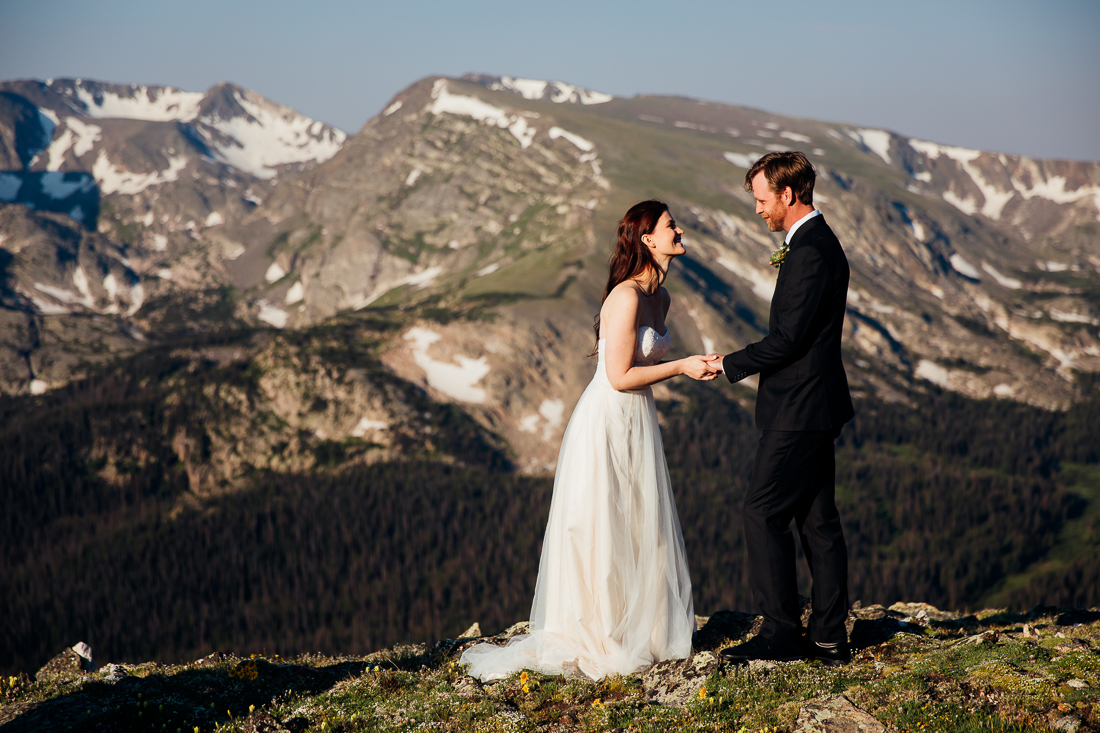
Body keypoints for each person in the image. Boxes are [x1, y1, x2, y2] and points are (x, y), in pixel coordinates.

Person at [461, 200, 720, 681]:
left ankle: (640, 628)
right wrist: (683, 365)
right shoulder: (624, 297)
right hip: (606, 417)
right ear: (647, 239)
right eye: (670, 226)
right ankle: (600, 634)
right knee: (602, 521)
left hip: (636, 418)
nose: (679, 230)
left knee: (639, 519)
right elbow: (619, 376)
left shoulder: (660, 299)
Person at [715, 151, 855, 666]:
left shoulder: (811, 252)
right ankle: (827, 638)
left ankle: (779, 633)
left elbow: (789, 339)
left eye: (761, 200)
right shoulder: (814, 243)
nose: (758, 210)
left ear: (787, 195)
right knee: (818, 521)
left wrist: (728, 364)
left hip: (799, 407)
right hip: (816, 403)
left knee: (762, 511)